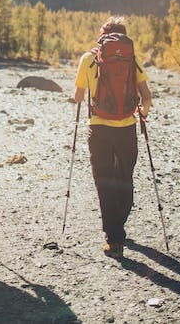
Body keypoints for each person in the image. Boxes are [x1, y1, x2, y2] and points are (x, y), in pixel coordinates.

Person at [73, 16, 152, 258]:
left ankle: (114, 238)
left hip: (99, 128)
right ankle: (119, 224)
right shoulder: (132, 60)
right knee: (125, 178)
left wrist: (85, 96)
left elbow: (78, 96)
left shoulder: (89, 58)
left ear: (103, 36)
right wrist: (143, 113)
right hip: (127, 128)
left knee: (104, 182)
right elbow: (147, 97)